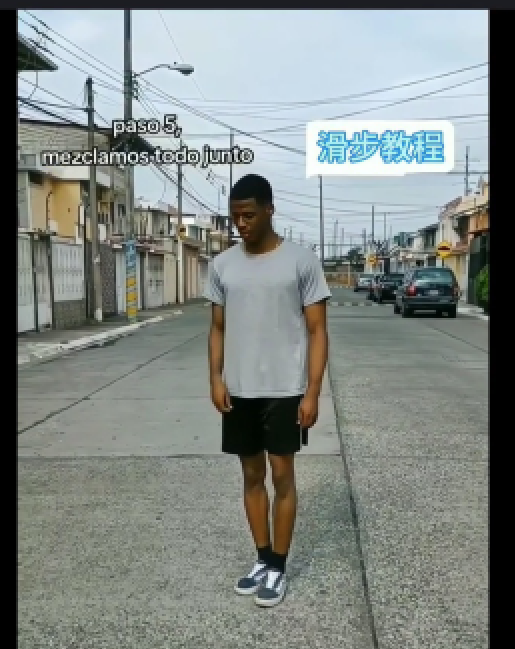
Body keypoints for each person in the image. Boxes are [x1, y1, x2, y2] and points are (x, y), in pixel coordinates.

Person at [203, 173, 331, 608]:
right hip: (239, 389)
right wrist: (215, 378)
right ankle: (261, 557)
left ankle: (278, 565)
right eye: (235, 216)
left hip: (285, 388)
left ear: (269, 210)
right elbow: (217, 328)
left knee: (282, 476)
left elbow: (318, 331)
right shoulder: (223, 265)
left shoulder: (301, 261)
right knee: (251, 476)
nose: (241, 223)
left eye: (249, 215)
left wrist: (312, 392)